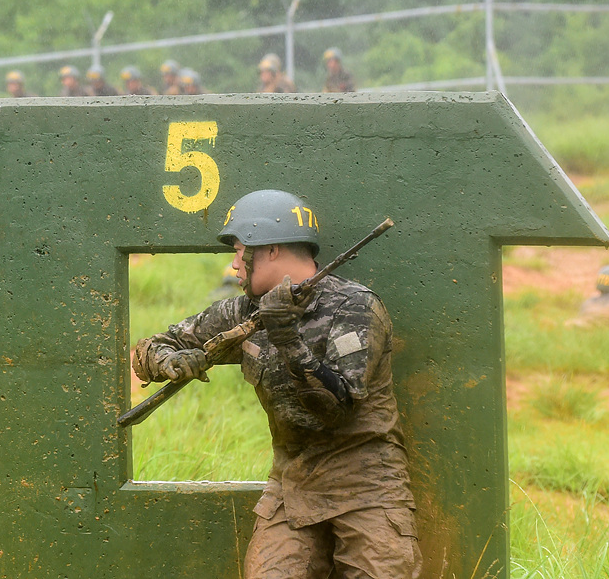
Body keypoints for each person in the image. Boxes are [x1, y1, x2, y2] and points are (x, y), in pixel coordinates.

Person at [132, 190, 421, 578]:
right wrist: (172, 362)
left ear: (269, 250)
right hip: (292, 486)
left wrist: (288, 339)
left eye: (239, 251)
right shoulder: (244, 309)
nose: (233, 265)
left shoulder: (353, 307)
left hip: (368, 486)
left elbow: (336, 410)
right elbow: (149, 350)